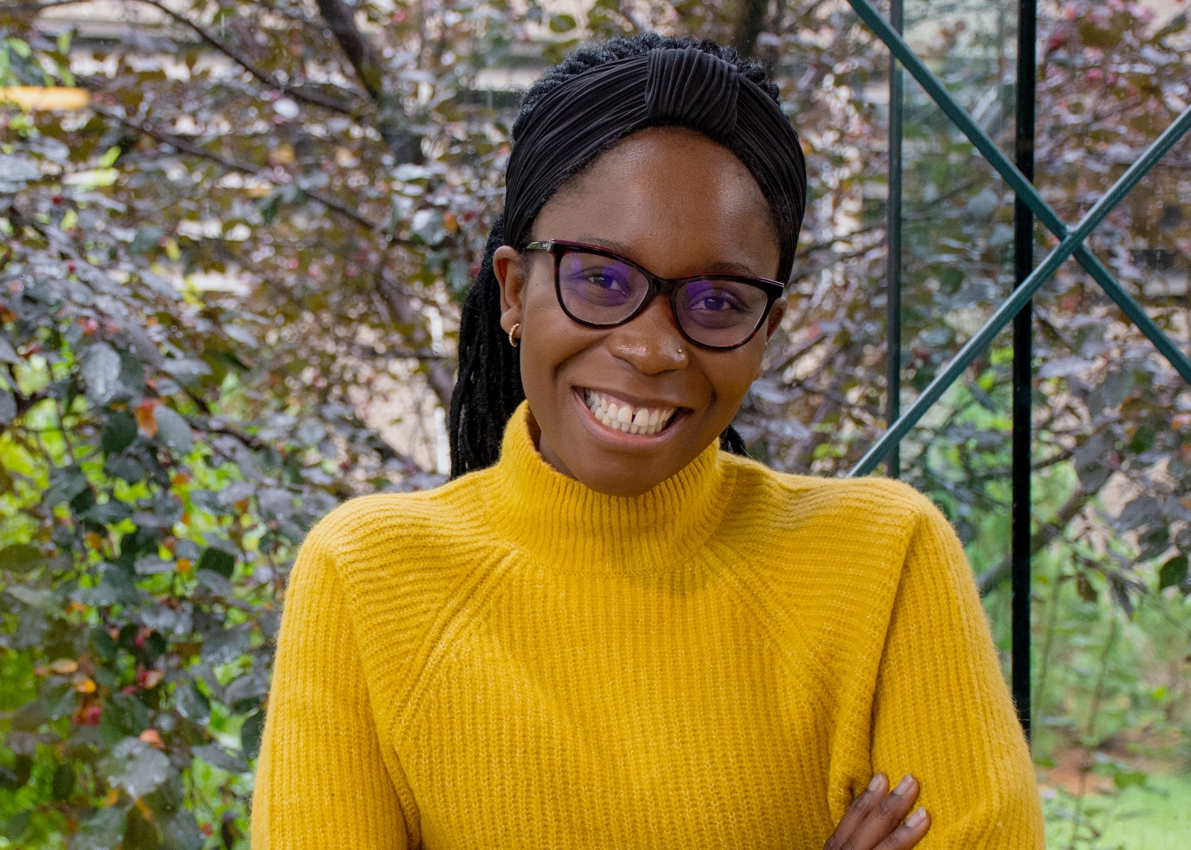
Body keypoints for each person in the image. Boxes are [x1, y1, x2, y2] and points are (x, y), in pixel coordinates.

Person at [250, 34, 1043, 849]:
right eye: (600, 278)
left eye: (719, 301)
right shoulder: (367, 579)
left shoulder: (886, 561)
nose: (654, 348)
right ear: (515, 292)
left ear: (766, 329)